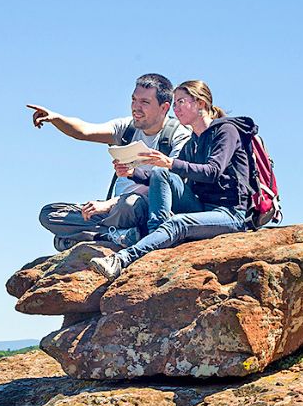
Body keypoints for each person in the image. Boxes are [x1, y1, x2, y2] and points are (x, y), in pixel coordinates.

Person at [87, 80, 256, 281]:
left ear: (201, 103)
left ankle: (123, 259)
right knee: (161, 173)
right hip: (201, 208)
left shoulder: (226, 131)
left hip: (230, 214)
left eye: (181, 102)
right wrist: (133, 173)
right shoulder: (193, 142)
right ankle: (155, 237)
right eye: (174, 104)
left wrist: (169, 162)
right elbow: (169, 174)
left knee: (178, 221)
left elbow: (212, 171)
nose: (175, 109)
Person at [27, 74, 191, 251]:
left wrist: (109, 204)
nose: (136, 107)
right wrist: (55, 118)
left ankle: (92, 236)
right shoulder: (127, 128)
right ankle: (114, 235)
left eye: (145, 102)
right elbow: (84, 130)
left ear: (164, 107)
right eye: (133, 100)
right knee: (49, 214)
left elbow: (172, 182)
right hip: (112, 212)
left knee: (129, 205)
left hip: (142, 209)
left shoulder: (178, 135)